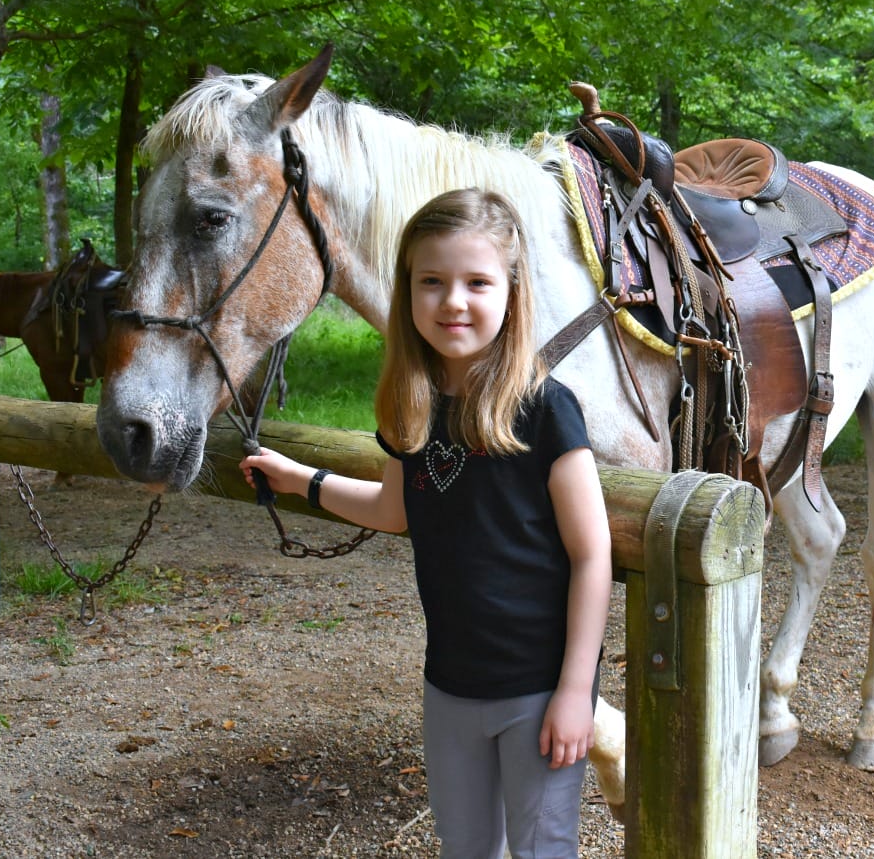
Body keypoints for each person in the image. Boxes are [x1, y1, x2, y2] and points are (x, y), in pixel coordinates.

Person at [240, 188, 611, 858]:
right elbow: (393, 510)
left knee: (542, 846)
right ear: (407, 291)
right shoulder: (411, 406)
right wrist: (304, 480)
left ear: (512, 291)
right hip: (450, 684)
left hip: (538, 688)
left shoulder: (546, 409)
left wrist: (576, 691)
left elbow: (592, 554)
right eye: (431, 281)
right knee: (464, 845)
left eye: (477, 282)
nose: (453, 301)